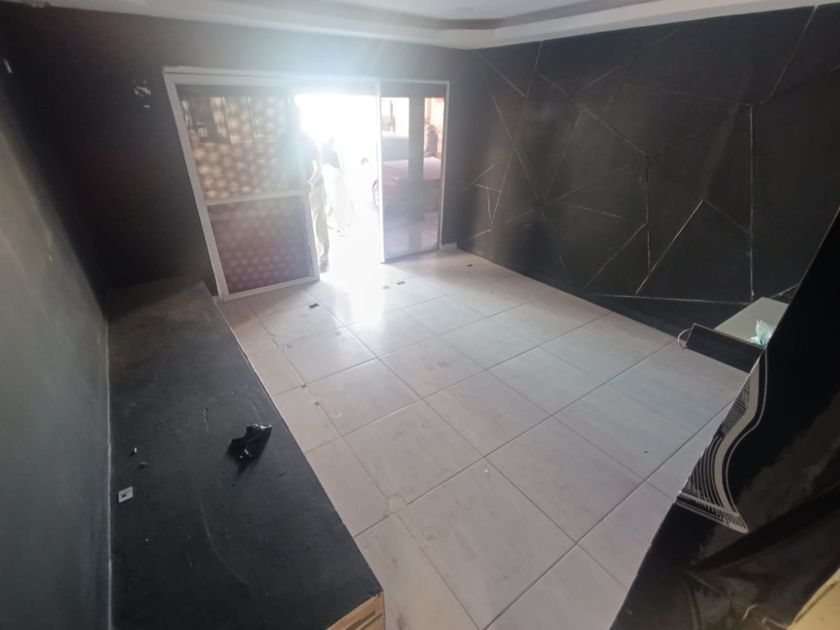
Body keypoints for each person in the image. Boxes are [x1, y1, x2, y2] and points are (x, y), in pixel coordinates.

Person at [299, 133, 330, 271]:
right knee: (305, 223)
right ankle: (310, 257)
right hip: (299, 188)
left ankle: (323, 257)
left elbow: (318, 167)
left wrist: (310, 183)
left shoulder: (308, 140)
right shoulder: (288, 140)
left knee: (319, 222)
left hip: (315, 186)